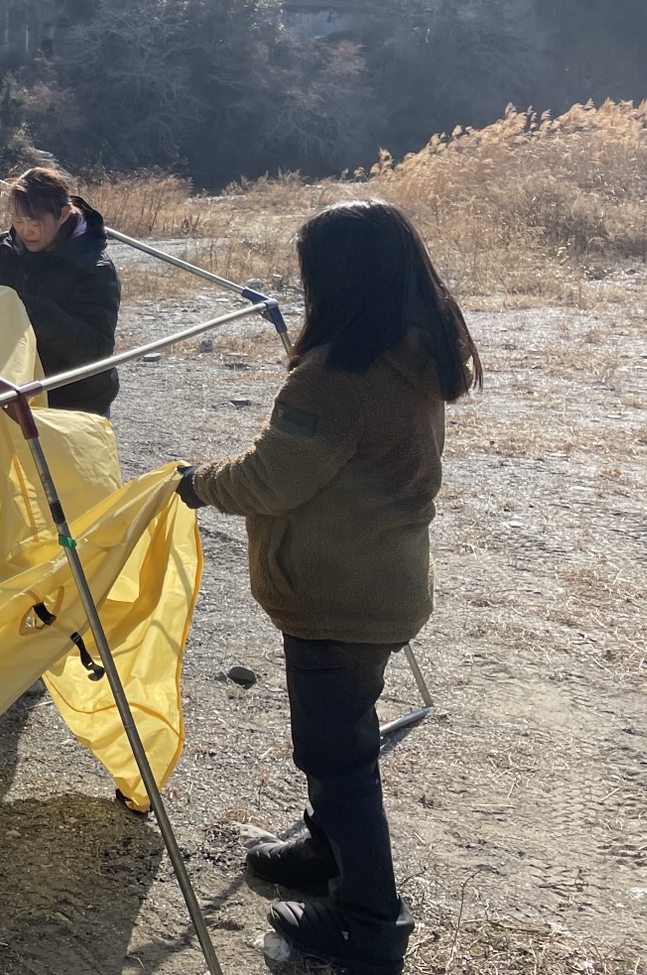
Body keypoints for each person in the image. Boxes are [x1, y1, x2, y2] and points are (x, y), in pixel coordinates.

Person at [176, 200, 481, 975]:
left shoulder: (335, 378)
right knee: (339, 739)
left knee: (338, 758)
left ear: (338, 280)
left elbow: (270, 477)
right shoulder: (415, 347)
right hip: (384, 587)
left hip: (337, 602)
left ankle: (368, 923)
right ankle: (324, 851)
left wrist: (197, 482)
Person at [0, 164, 121, 417]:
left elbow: (96, 352)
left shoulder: (94, 268)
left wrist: (35, 313)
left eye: (35, 222)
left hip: (74, 401)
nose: (26, 230)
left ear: (63, 214)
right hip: (11, 393)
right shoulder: (0, 252)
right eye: (18, 221)